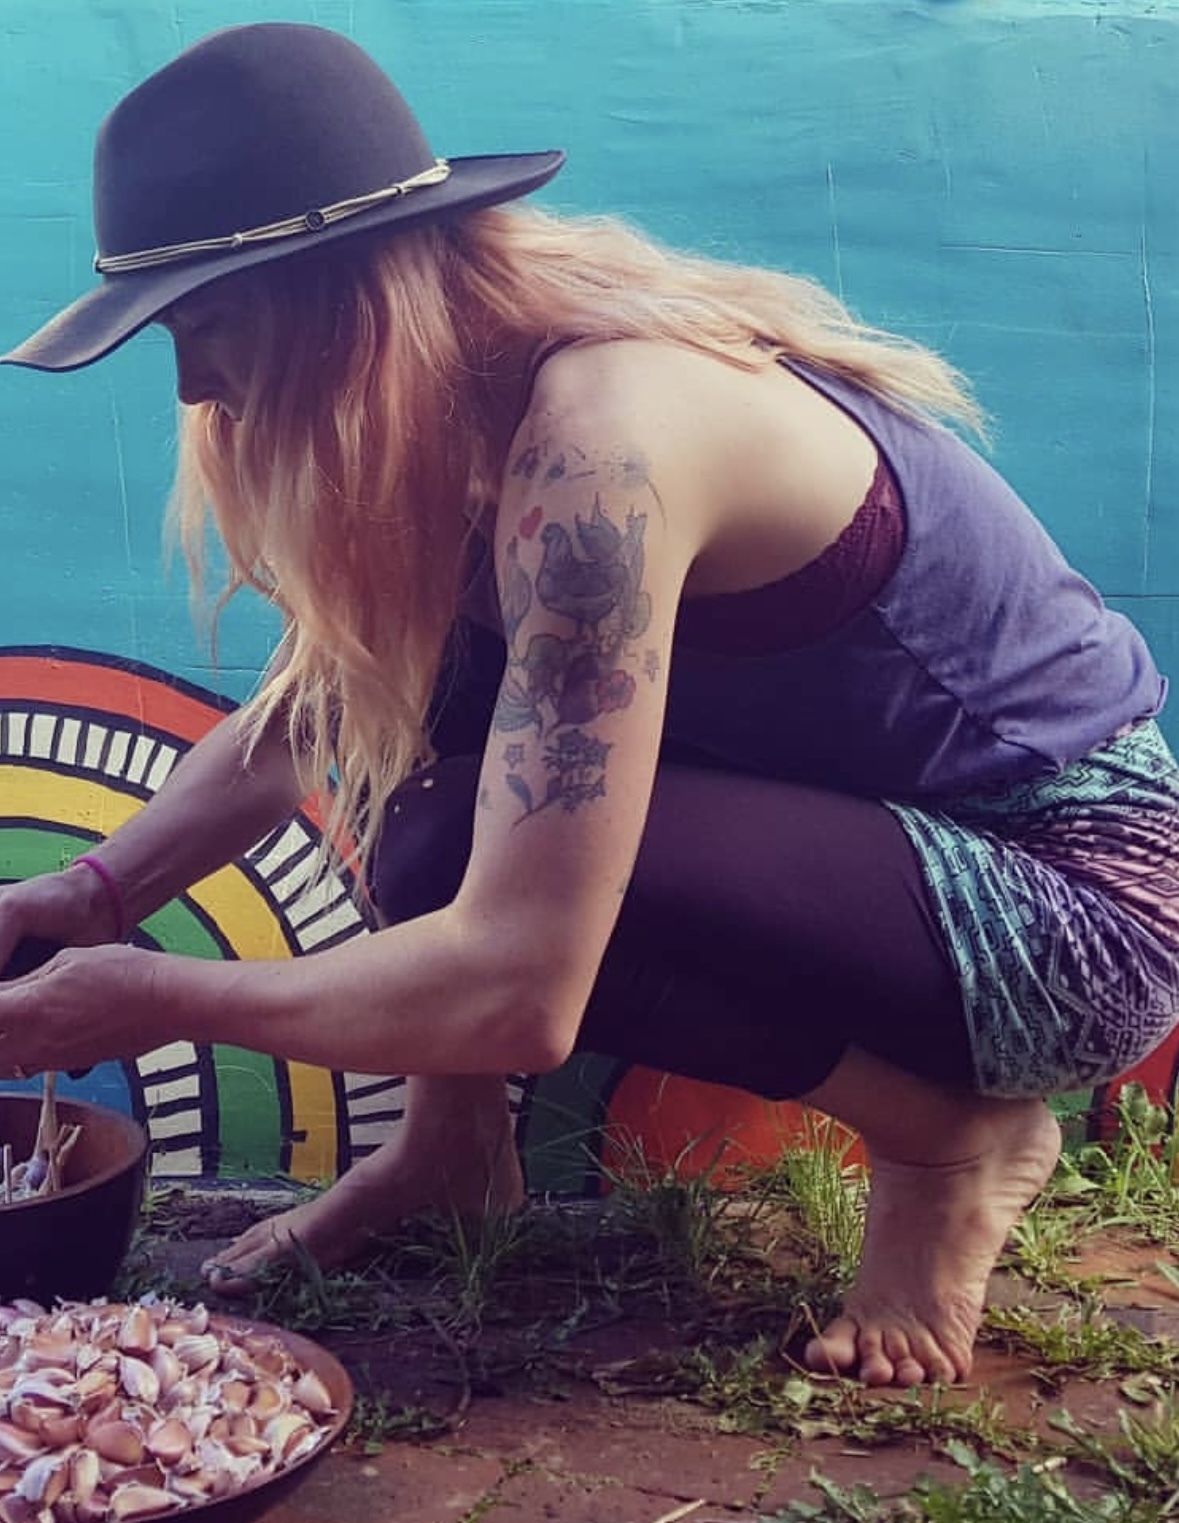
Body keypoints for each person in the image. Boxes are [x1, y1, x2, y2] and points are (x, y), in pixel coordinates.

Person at [1, 22, 1176, 1391]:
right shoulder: (463, 414)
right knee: (430, 786)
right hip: (879, 846)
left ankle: (948, 1142)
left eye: (204, 325)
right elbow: (316, 706)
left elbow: (521, 982)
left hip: (1072, 912)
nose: (194, 384)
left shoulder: (605, 444)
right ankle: (450, 1151)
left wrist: (156, 995)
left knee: (479, 859)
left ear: (342, 294)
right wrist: (94, 893)